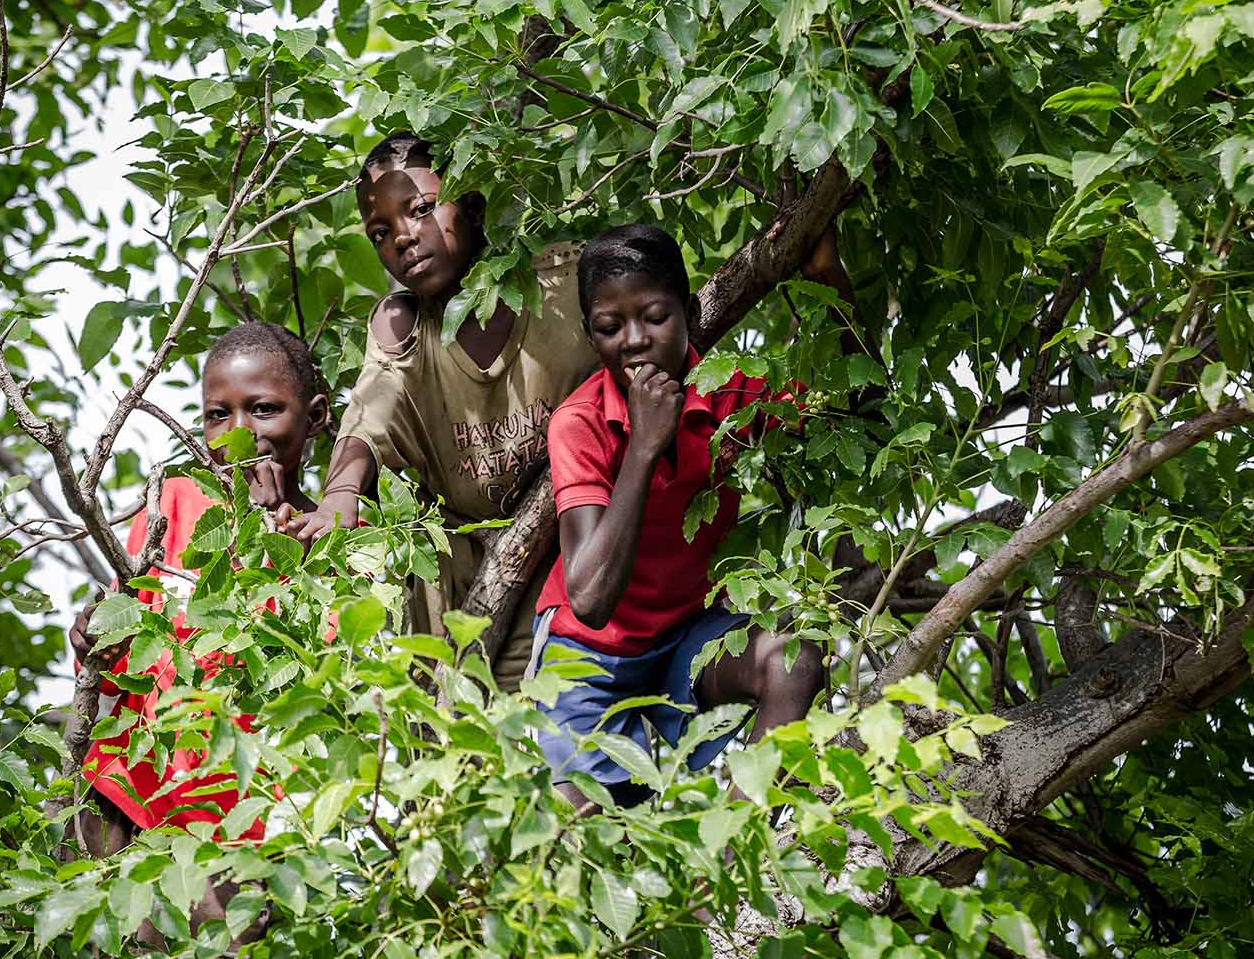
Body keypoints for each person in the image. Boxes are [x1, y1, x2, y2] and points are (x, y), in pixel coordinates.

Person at [279, 132, 600, 692]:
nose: (403, 237)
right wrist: (340, 496)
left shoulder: (565, 287)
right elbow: (368, 421)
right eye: (381, 233)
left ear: (473, 209)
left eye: (422, 210)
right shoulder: (403, 330)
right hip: (466, 599)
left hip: (582, 567)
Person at [531, 223, 833, 809]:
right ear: (591, 339)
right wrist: (644, 446)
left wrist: (828, 277)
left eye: (655, 317)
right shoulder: (580, 422)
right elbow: (590, 600)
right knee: (579, 831)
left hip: (687, 639)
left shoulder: (730, 395)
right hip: (587, 658)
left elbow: (853, 411)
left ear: (690, 315)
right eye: (610, 328)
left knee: (792, 659)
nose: (635, 340)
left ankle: (746, 860)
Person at [66, 320, 330, 922]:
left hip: (240, 832)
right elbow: (117, 660)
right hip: (124, 801)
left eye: (263, 410)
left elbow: (310, 687)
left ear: (314, 416)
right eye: (218, 416)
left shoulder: (337, 543)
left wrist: (269, 539)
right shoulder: (175, 502)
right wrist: (92, 640)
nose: (239, 436)